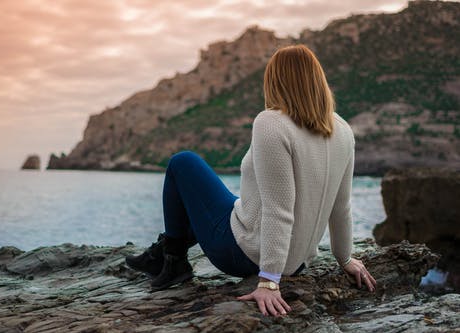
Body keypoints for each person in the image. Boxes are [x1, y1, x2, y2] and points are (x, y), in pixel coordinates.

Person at [125, 44, 377, 317]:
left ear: (275, 81)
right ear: (318, 80)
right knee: (223, 201)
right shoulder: (342, 130)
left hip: (243, 255)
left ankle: (172, 260)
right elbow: (342, 207)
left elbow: (278, 210)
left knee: (183, 162)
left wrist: (269, 281)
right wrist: (345, 258)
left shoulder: (271, 123)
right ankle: (165, 251)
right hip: (298, 262)